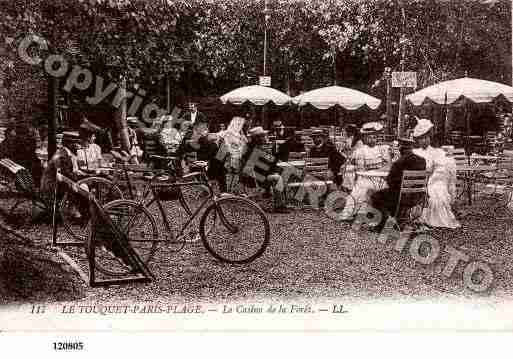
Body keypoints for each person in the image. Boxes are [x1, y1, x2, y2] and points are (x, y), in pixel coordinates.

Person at [369, 137, 426, 232]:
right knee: (391, 194)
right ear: (411, 148)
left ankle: (380, 225)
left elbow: (390, 182)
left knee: (376, 196)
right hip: (417, 197)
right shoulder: (422, 160)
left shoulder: (398, 163)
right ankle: (400, 220)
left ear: (400, 149)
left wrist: (387, 178)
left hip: (401, 198)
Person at [412, 118, 461, 229]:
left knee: (437, 191)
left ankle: (433, 217)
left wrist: (431, 176)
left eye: (426, 138)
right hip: (417, 180)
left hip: (431, 180)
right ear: (417, 140)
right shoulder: (415, 152)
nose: (424, 141)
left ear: (430, 138)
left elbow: (440, 170)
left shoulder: (436, 152)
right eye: (421, 139)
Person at [339, 122, 391, 221]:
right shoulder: (361, 151)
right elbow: (361, 170)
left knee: (377, 187)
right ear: (365, 138)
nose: (372, 139)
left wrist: (376, 170)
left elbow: (388, 166)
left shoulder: (382, 149)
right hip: (366, 178)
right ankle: (357, 214)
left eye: (374, 137)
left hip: (381, 179)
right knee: (361, 187)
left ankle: (372, 214)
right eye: (369, 137)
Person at [240, 126, 289, 213]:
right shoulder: (253, 149)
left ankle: (282, 201)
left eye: (264, 136)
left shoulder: (255, 147)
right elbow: (264, 164)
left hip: (260, 175)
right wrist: (276, 158)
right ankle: (279, 205)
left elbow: (269, 161)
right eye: (262, 136)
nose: (264, 138)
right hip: (257, 178)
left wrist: (275, 158)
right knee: (277, 178)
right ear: (256, 138)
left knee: (281, 173)